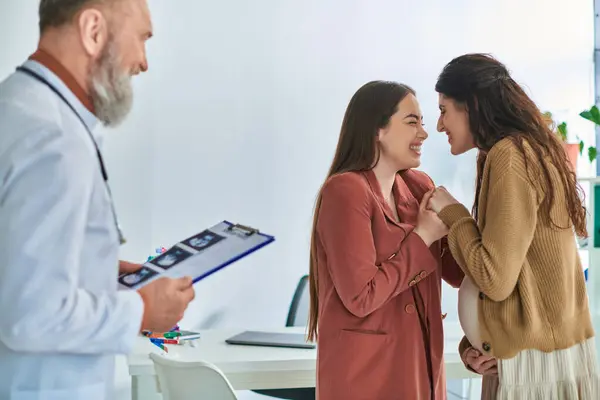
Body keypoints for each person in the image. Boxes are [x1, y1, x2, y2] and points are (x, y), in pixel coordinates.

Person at [0, 0, 195, 398]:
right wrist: (142, 310)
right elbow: (31, 315)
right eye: (141, 39)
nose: (143, 63)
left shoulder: (16, 107)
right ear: (93, 31)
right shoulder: (53, 139)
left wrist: (101, 269)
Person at [429, 53, 600, 399]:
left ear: (472, 104)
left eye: (444, 110)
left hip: (533, 370)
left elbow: (494, 276)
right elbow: (520, 276)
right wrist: (475, 346)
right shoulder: (518, 151)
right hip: (530, 361)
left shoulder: (510, 156)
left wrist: (453, 213)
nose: (438, 125)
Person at [306, 81, 464, 400]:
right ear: (377, 129)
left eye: (422, 122)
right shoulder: (345, 191)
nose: (423, 133)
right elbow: (360, 296)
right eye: (411, 122)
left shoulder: (419, 185)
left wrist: (459, 218)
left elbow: (458, 274)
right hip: (366, 376)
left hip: (420, 366)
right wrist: (424, 236)